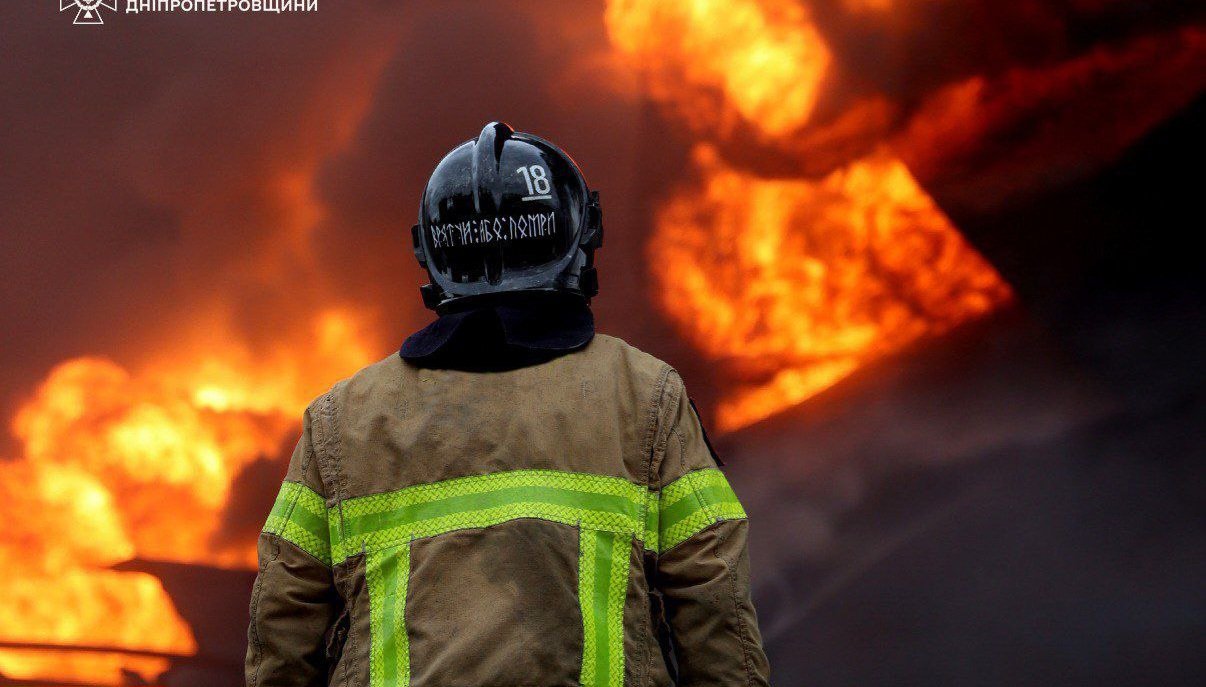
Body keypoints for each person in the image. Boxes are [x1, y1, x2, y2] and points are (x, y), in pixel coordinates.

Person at [245, 122, 771, 687]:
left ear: (431, 255)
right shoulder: (645, 396)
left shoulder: (343, 421)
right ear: (578, 240)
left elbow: (283, 626)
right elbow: (714, 600)